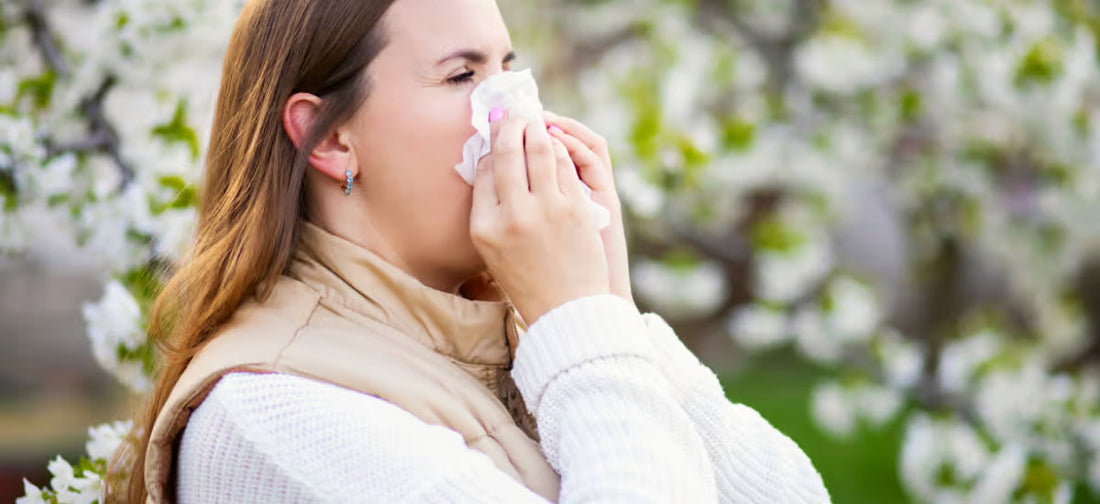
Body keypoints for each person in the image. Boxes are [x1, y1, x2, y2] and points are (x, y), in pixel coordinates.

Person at [106, 0, 831, 502]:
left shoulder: (518, 334)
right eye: (462, 76)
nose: (519, 114)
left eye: (509, 69)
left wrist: (610, 311)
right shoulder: (274, 419)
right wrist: (580, 328)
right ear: (328, 138)